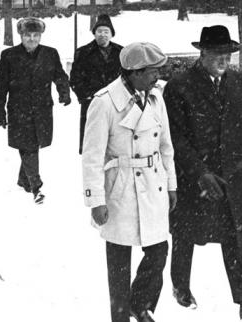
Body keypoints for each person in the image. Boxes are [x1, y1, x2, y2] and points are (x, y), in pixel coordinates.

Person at [162, 25, 242, 320]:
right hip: (193, 176)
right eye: (217, 53)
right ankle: (180, 287)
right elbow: (176, 137)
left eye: (228, 53)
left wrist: (236, 167)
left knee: (234, 236)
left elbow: (237, 128)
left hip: (231, 174)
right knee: (185, 234)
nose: (224, 59)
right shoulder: (179, 84)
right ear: (202, 53)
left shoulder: (237, 80)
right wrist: (199, 172)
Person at [82, 42, 177, 322]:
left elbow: (166, 147)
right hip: (120, 187)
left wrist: (171, 185)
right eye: (151, 72)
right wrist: (95, 200)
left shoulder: (156, 99)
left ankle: (140, 303)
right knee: (119, 264)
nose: (157, 77)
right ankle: (121, 316)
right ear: (134, 72)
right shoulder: (104, 102)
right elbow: (92, 156)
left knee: (159, 251)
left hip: (153, 183)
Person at [0, 17, 71, 204]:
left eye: (36, 35)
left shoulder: (50, 54)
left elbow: (59, 75)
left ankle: (23, 178)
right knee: (28, 146)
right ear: (21, 35)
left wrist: (64, 92)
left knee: (33, 144)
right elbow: (1, 86)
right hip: (19, 110)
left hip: (42, 109)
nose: (32, 39)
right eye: (28, 35)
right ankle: (36, 186)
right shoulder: (9, 55)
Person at [69, 14, 123, 153]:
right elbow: (75, 78)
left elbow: (126, 77)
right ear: (94, 33)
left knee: (116, 140)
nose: (102, 35)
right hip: (92, 102)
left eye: (106, 32)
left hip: (116, 102)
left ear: (112, 34)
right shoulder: (83, 52)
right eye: (99, 31)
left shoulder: (121, 52)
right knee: (92, 142)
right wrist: (85, 96)